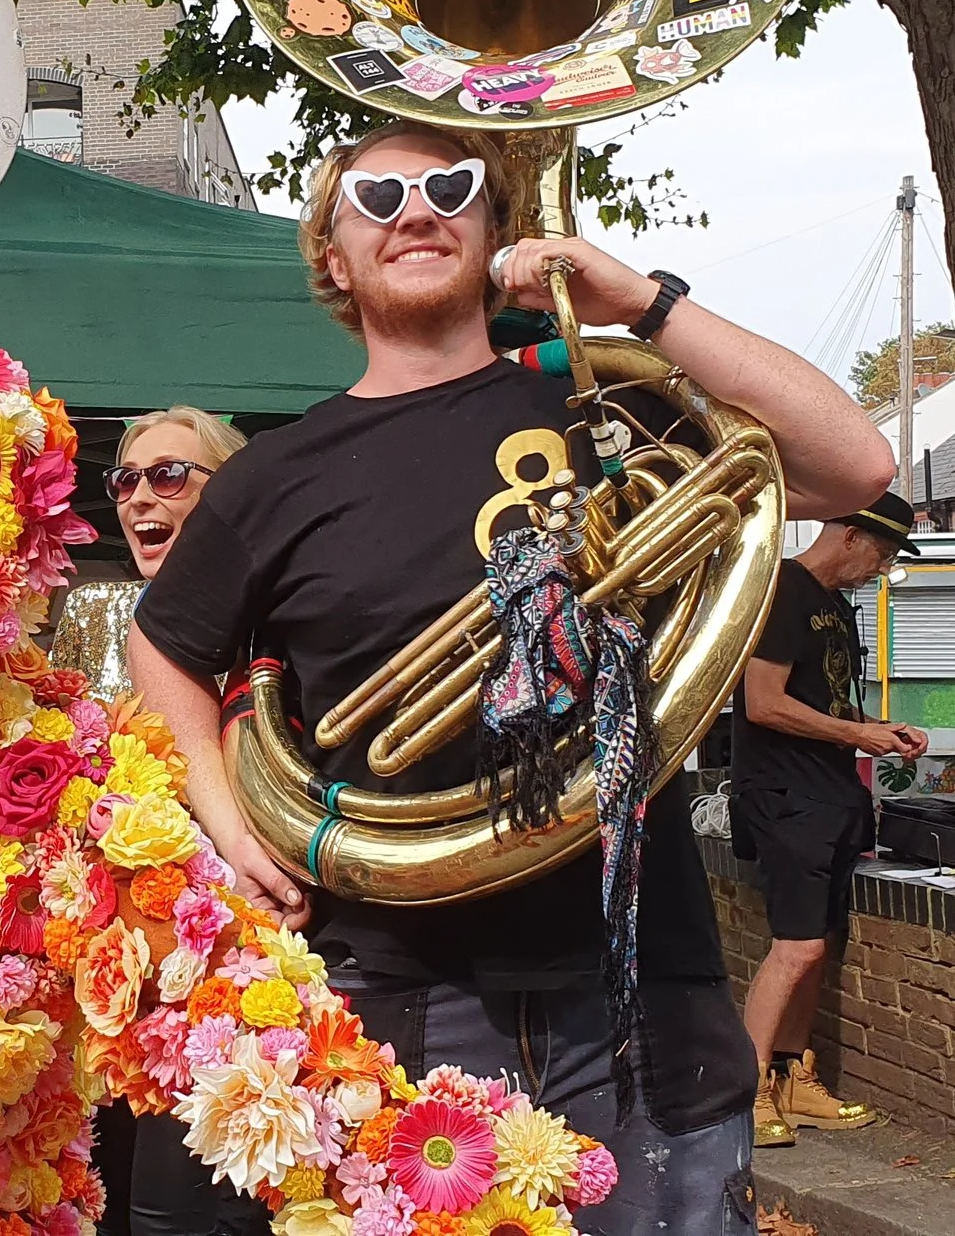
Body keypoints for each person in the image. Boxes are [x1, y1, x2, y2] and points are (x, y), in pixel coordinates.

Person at [126, 119, 893, 1236]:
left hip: (636, 972)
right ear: (332, 260)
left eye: (448, 186)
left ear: (492, 227)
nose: (417, 211)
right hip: (393, 984)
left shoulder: (603, 397)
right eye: (375, 201)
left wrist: (643, 299)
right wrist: (230, 817)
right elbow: (163, 645)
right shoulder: (274, 475)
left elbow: (852, 462)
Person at [60, 407, 264, 1236]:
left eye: (169, 474)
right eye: (126, 480)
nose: (141, 495)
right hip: (113, 975)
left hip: (240, 971)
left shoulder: (274, 624)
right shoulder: (96, 611)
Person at [733, 492, 921, 1146]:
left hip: (833, 793)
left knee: (820, 945)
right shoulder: (783, 590)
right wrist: (853, 732)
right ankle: (748, 1089)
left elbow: (829, 701)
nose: (882, 567)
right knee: (796, 946)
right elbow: (761, 702)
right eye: (882, 552)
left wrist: (877, 730)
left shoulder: (837, 607)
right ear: (848, 536)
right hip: (789, 796)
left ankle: (795, 1076)